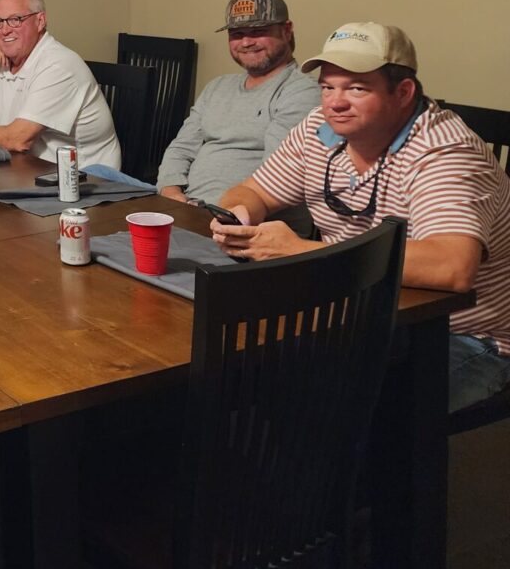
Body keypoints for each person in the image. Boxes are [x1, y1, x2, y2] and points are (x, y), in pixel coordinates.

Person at [212, 23, 510, 413]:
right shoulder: (319, 131)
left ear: (404, 92)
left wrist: (301, 250)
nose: (335, 102)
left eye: (356, 88)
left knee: (336, 414)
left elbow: (451, 266)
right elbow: (252, 190)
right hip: (362, 315)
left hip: (465, 335)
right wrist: (240, 215)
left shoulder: (445, 152)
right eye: (327, 87)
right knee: (242, 374)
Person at [157, 0, 320, 203]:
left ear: (286, 30)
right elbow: (181, 148)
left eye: (258, 31)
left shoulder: (301, 92)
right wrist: (171, 194)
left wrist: (220, 214)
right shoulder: (217, 87)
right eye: (237, 34)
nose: (246, 42)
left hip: (244, 220)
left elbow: (279, 177)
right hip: (188, 207)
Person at [0, 0, 120, 168]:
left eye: (15, 20)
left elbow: (18, 139)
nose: (4, 30)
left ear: (40, 21)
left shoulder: (59, 65)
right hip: (26, 172)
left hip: (84, 179)